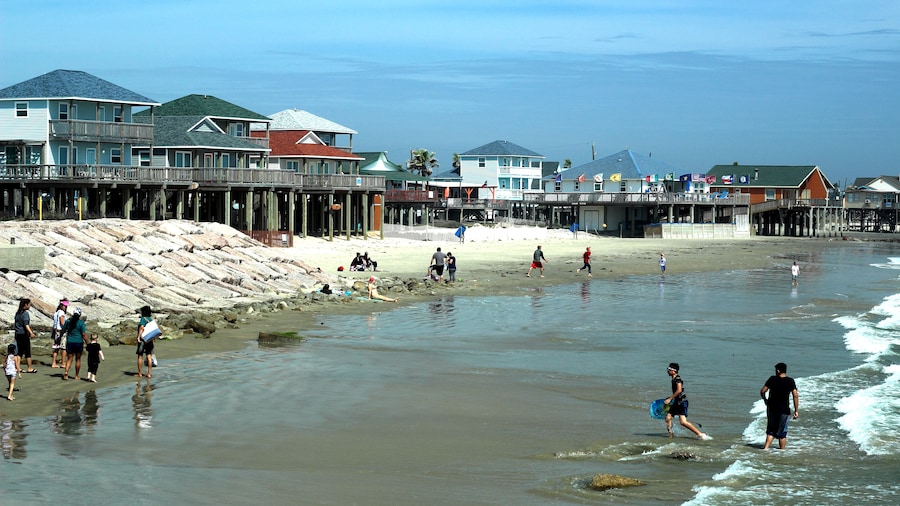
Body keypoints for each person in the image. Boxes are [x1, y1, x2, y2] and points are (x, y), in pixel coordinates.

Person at [664, 363, 710, 440]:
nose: (668, 371)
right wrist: (671, 398)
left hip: (682, 402)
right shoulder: (673, 379)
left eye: (669, 370)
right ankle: (671, 435)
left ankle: (701, 434)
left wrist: (670, 399)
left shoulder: (678, 379)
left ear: (674, 371)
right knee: (668, 418)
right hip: (676, 402)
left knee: (683, 422)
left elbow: (679, 390)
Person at [760, 362, 799, 450]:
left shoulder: (772, 379)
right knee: (782, 434)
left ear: (778, 370)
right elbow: (795, 395)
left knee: (771, 431)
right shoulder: (790, 381)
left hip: (772, 409)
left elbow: (762, 391)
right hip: (784, 410)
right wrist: (796, 410)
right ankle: (781, 452)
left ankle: (766, 449)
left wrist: (765, 400)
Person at [13, 298, 37, 374]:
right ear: (25, 305)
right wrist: (31, 333)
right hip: (23, 334)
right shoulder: (25, 313)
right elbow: (26, 325)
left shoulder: (18, 313)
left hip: (17, 334)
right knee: (27, 351)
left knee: (19, 351)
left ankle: (18, 367)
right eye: (29, 304)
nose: (30, 306)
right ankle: (29, 368)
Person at [63, 308, 87, 381]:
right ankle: (76, 375)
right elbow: (83, 334)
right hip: (78, 342)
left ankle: (66, 372)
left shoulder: (68, 321)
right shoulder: (81, 323)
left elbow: (63, 330)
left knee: (69, 359)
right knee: (78, 359)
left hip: (70, 341)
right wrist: (87, 342)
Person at [136, 305, 156, 378]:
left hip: (143, 340)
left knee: (140, 356)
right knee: (149, 355)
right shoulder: (151, 319)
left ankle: (140, 373)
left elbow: (141, 327)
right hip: (150, 339)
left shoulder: (143, 319)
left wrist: (138, 337)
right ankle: (149, 374)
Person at [51, 299, 69, 368]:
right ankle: (63, 363)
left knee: (56, 347)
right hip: (61, 332)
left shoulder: (57, 312)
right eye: (65, 306)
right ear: (61, 305)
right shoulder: (61, 312)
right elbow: (62, 323)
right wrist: (67, 328)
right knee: (63, 348)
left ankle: (53, 363)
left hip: (56, 331)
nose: (66, 307)